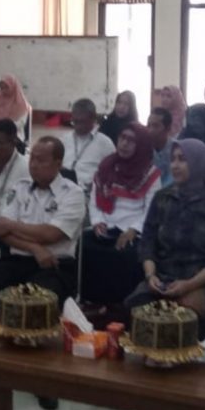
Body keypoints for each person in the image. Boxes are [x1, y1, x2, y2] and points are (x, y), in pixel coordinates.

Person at [0, 137, 86, 338]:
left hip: (54, 267)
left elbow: (51, 234)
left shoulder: (73, 193)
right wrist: (35, 248)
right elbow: (1, 231)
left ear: (58, 164)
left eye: (41, 160)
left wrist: (13, 226)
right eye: (32, 159)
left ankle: (25, 352)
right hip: (16, 261)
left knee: (32, 306)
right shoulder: (20, 188)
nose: (34, 165)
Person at [124, 140, 205, 335]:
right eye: (173, 159)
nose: (175, 165)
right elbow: (148, 242)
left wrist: (188, 285)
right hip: (163, 279)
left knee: (185, 318)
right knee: (135, 308)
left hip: (200, 283)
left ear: (198, 163)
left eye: (182, 159)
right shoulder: (162, 198)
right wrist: (151, 276)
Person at [80, 125, 163, 307]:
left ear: (141, 145)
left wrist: (133, 230)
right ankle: (91, 302)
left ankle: (120, 307)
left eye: (131, 141)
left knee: (127, 254)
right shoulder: (107, 166)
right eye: (122, 138)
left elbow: (151, 210)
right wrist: (98, 221)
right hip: (106, 226)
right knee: (84, 245)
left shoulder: (150, 174)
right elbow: (94, 199)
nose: (124, 144)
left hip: (134, 230)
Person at [64, 98, 111, 188]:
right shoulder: (64, 139)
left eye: (82, 122)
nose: (77, 126)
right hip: (63, 188)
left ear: (93, 118)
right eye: (75, 121)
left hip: (88, 190)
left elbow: (112, 173)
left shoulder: (105, 143)